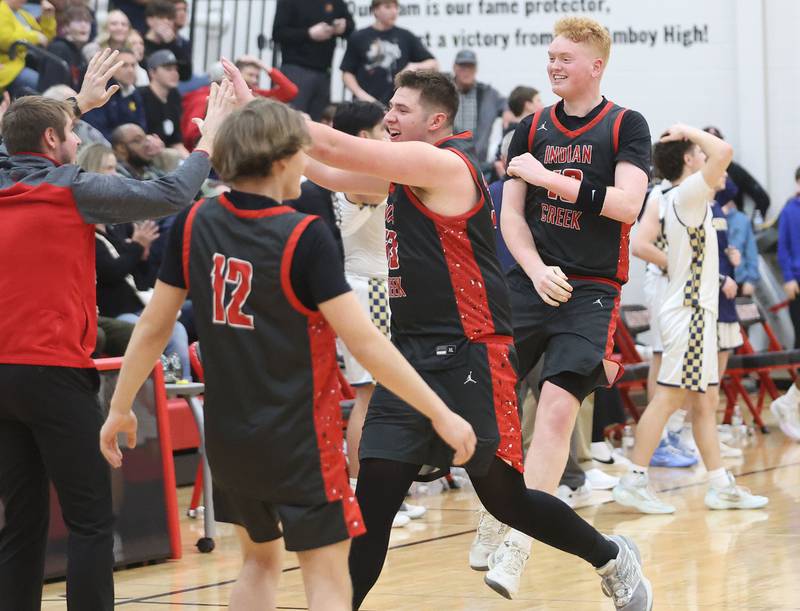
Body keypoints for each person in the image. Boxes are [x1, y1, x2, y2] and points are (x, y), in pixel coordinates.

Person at [222, 56, 652, 609]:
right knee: (373, 505)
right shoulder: (403, 174)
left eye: (401, 109)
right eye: (389, 108)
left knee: (507, 501)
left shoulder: (446, 166)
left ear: (435, 121)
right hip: (410, 360)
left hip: (471, 355)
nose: (390, 117)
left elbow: (332, 148)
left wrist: (256, 107)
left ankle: (611, 557)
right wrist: (243, 132)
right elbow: (322, 170)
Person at [98, 96, 476, 611]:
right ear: (279, 162)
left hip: (230, 437)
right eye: (301, 153)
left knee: (259, 563)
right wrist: (441, 412)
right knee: (327, 576)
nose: (308, 164)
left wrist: (120, 407)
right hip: (298, 439)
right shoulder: (303, 235)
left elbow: (151, 328)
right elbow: (365, 341)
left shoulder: (195, 222)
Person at [0, 49, 232, 611]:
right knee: (89, 522)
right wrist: (210, 141)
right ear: (55, 142)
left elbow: (22, 142)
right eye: (72, 135)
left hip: (2, 378)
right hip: (55, 371)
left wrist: (76, 104)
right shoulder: (72, 189)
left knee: (21, 522)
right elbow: (173, 194)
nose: (79, 142)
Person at [483, 17, 652, 599]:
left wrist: (549, 179)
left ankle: (518, 541)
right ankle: (497, 504)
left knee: (556, 409)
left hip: (592, 290)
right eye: (550, 56)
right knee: (486, 393)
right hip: (531, 280)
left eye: (565, 58)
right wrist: (534, 269)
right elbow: (510, 218)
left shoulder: (625, 125)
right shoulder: (529, 128)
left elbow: (628, 207)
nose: (553, 65)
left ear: (596, 64)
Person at [611, 124, 768, 514]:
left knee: (705, 400)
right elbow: (725, 150)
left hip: (690, 308)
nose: (705, 157)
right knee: (667, 398)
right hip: (690, 312)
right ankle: (633, 480)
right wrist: (687, 130)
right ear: (688, 159)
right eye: (697, 152)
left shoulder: (672, 197)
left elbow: (642, 242)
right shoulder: (688, 192)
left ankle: (719, 484)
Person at [340, 0, 437, 106]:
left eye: (396, 7)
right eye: (388, 7)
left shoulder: (405, 36)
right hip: (366, 105)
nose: (394, 11)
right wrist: (361, 95)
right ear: (375, 10)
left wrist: (414, 66)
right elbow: (347, 72)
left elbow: (433, 63)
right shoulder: (358, 37)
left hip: (398, 104)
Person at [272, 0, 354, 120]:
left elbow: (351, 26)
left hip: (324, 71)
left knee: (318, 121)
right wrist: (308, 33)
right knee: (292, 119)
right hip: (295, 68)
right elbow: (278, 33)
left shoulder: (336, 2)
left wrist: (343, 26)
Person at [770, 167, 800, 440]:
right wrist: (789, 278)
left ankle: (789, 401)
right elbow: (784, 249)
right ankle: (789, 402)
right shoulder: (791, 210)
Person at [452, 49, 506, 165]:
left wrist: (508, 111)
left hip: (479, 162)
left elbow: (508, 105)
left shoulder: (488, 94)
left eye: (470, 67)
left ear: (476, 69)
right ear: (455, 68)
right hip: (449, 158)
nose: (466, 71)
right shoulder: (443, 91)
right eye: (462, 67)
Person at [704, 126, 770, 218]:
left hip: (732, 226)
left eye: (717, 142)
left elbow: (763, 199)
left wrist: (753, 226)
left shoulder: (734, 171)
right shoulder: (695, 171)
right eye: (709, 143)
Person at [83, 47, 147, 140]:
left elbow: (142, 126)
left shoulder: (134, 92)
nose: (130, 70)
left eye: (133, 65)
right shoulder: (100, 91)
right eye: (124, 65)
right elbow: (96, 129)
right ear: (110, 68)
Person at [0, 0, 56, 95]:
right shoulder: (2, 9)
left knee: (56, 80)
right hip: (10, 66)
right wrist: (34, 37)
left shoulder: (24, 14)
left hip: (30, 62)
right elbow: (6, 40)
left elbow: (45, 39)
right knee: (44, 87)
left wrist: (47, 18)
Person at [139, 49, 187, 156]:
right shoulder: (140, 96)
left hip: (168, 153)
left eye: (176, 69)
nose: (174, 73)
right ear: (152, 72)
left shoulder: (174, 96)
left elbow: (176, 141)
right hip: (146, 152)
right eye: (168, 69)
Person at [38, 4, 92, 92]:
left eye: (87, 21)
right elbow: (52, 89)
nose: (84, 25)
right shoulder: (59, 48)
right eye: (78, 21)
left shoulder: (79, 53)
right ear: (65, 27)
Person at [143, 0, 192, 82]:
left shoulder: (173, 44)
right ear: (150, 20)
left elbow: (185, 75)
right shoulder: (140, 42)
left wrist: (171, 43)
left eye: (169, 18)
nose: (166, 21)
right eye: (161, 17)